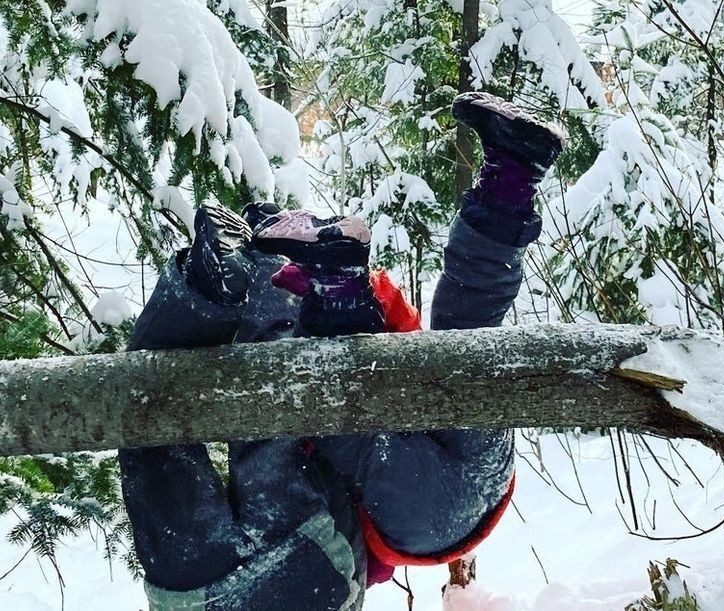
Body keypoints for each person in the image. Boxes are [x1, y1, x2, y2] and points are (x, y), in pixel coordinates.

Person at [118, 93, 563, 610]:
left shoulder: (370, 517)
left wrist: (304, 276)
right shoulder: (351, 496)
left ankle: (514, 172)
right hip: (424, 504)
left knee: (460, 333)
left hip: (466, 490)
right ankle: (508, 170)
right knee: (330, 396)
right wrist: (268, 272)